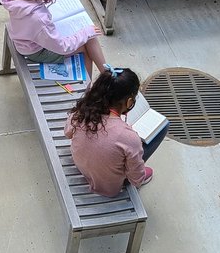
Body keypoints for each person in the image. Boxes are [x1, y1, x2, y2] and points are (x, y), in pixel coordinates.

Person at [2, 0, 109, 76]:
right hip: (35, 51)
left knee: (89, 37)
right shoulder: (39, 19)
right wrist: (84, 33)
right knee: (85, 48)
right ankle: (93, 84)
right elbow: (62, 47)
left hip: (24, 38)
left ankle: (107, 74)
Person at [63, 68, 153, 197]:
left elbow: (67, 133)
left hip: (81, 165)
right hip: (107, 187)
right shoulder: (129, 137)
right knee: (157, 133)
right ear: (129, 102)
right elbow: (136, 180)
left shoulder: (83, 111)